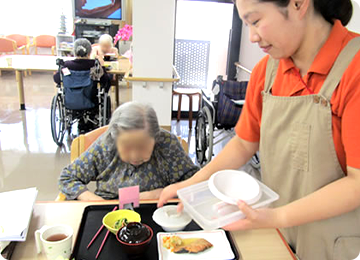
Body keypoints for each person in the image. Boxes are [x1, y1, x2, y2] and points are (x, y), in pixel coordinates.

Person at [158, 0, 360, 259]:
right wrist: (190, 184)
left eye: (255, 21)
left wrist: (276, 216)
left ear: (299, 4)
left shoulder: (353, 67)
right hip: (279, 231)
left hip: (336, 240)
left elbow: (357, 184)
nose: (252, 36)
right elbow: (244, 143)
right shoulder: (267, 71)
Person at [59, 102, 199, 201]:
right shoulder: (105, 145)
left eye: (142, 147)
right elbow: (68, 177)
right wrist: (93, 200)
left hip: (157, 209)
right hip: (110, 212)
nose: (135, 156)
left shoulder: (167, 144)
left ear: (155, 139)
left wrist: (160, 193)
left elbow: (194, 181)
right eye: (127, 147)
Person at [53, 38, 111, 133]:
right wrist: (103, 67)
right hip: (91, 101)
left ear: (74, 52)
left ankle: (78, 119)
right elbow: (105, 80)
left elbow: (57, 79)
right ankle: (89, 120)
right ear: (89, 52)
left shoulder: (66, 65)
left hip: (70, 101)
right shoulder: (94, 66)